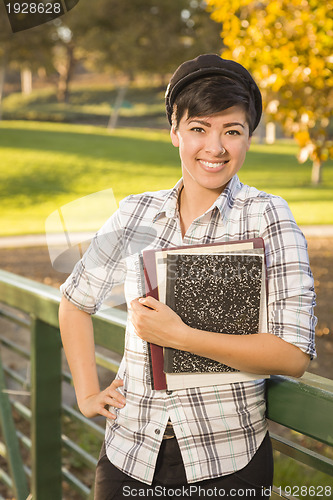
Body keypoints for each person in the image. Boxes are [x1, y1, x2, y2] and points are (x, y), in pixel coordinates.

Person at [59, 54, 317, 499]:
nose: (215, 147)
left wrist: (179, 336)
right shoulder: (135, 212)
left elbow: (294, 354)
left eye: (231, 131)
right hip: (128, 452)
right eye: (199, 128)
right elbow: (75, 300)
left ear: (248, 137)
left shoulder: (267, 216)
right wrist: (86, 394)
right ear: (174, 131)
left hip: (227, 461)